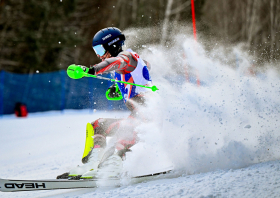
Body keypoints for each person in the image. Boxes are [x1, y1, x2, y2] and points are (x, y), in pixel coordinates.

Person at [57, 27, 153, 180]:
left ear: (113, 45)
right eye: (96, 50)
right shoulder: (131, 61)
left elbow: (115, 62)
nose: (98, 55)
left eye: (100, 49)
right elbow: (143, 68)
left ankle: (113, 165)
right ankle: (93, 164)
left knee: (125, 130)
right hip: (137, 115)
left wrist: (91, 70)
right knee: (97, 125)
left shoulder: (126, 57)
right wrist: (118, 87)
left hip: (147, 115)